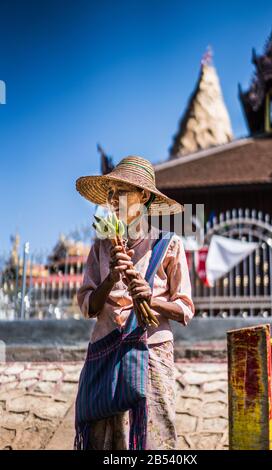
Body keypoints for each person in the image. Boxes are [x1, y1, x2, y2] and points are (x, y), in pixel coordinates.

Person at [75, 155, 195, 450]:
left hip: (151, 351)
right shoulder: (102, 246)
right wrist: (111, 277)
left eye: (124, 192)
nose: (115, 201)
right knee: (105, 439)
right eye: (112, 194)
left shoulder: (169, 245)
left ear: (144, 196)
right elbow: (88, 306)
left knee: (151, 440)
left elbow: (185, 309)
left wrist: (149, 298)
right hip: (105, 351)